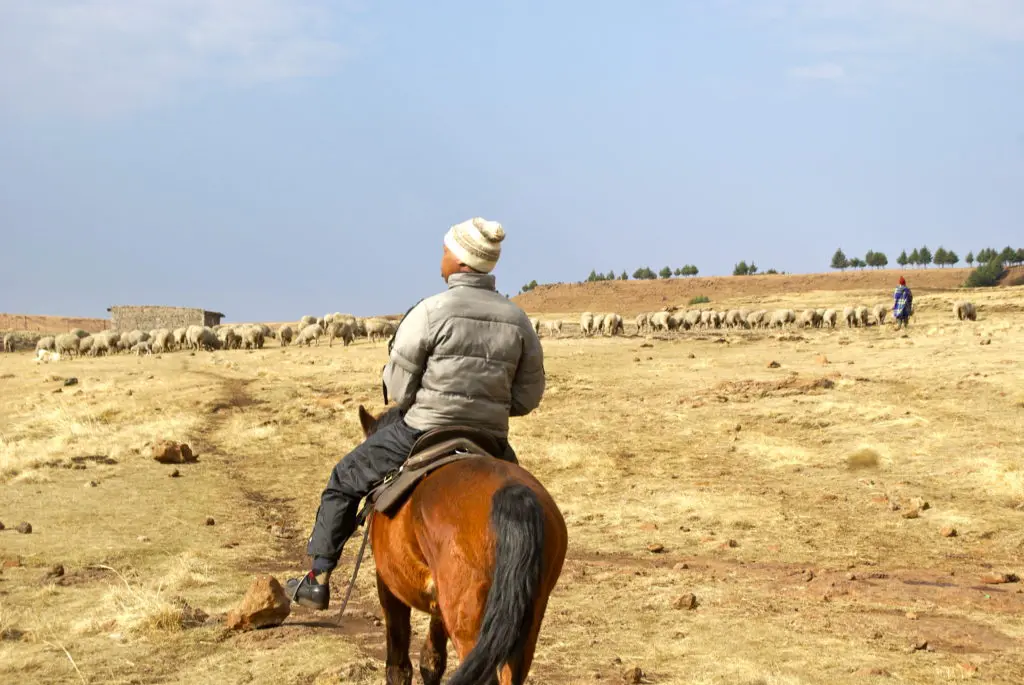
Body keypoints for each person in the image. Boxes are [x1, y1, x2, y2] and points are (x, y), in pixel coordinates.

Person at [286, 217, 546, 610]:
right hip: (491, 437)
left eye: (445, 251)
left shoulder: (429, 312)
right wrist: (486, 405)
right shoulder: (518, 320)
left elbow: (400, 391)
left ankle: (317, 578)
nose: (441, 258)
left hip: (423, 430)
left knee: (343, 479)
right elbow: (528, 396)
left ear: (460, 261)